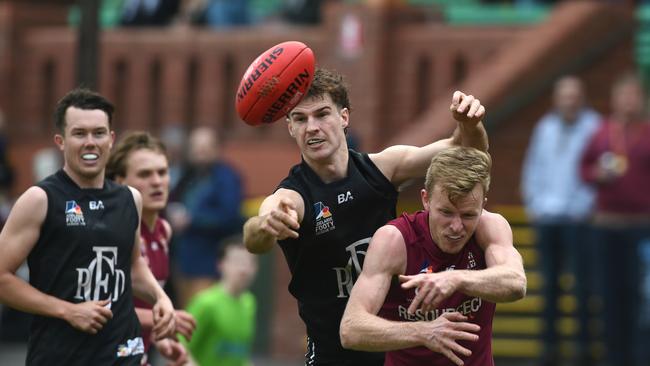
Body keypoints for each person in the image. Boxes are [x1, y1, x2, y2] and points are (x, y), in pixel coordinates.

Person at [243, 67, 489, 365]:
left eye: (322, 114)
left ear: (344, 117)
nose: (312, 127)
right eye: (300, 119)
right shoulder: (293, 196)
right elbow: (256, 235)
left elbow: (466, 152)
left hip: (398, 348)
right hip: (334, 355)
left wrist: (471, 124)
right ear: (290, 128)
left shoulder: (383, 169)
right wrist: (266, 223)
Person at [0, 88, 176, 365]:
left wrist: (160, 298)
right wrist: (68, 311)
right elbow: (2, 278)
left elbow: (133, 266)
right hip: (61, 356)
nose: (90, 142)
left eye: (99, 133)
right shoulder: (41, 199)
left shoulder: (130, 199)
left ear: (111, 139)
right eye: (80, 134)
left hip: (122, 352)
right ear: (61, 141)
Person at [339, 146, 526, 366]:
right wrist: (423, 332)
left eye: (468, 215)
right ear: (425, 199)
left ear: (482, 205)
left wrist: (455, 279)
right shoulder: (395, 240)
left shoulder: (490, 226)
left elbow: (516, 283)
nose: (456, 227)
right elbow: (351, 329)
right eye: (446, 212)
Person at [520, 76, 600, 365]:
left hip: (579, 220)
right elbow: (533, 168)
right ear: (557, 99)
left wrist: (583, 208)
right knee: (549, 287)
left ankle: (583, 351)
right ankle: (549, 352)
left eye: (574, 95)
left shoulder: (594, 127)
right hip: (548, 219)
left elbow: (597, 172)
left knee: (583, 288)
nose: (569, 101)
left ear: (582, 97)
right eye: (565, 96)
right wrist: (535, 206)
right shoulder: (545, 127)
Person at [107, 131, 197, 366]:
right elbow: (96, 306)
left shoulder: (164, 231)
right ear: (119, 181)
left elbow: (143, 304)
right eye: (145, 174)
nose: (157, 181)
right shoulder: (111, 232)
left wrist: (161, 337)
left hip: (138, 355)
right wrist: (166, 318)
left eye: (162, 172)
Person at [580, 73, 650, 366]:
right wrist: (598, 174)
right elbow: (583, 168)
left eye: (633, 95)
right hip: (606, 227)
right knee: (608, 294)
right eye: (623, 95)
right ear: (614, 99)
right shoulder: (602, 132)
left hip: (641, 228)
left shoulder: (647, 131)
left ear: (642, 99)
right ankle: (613, 358)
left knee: (639, 296)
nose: (628, 101)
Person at [168, 126, 245, 307]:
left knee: (201, 317)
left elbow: (229, 215)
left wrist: (192, 219)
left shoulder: (226, 177)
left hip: (210, 263)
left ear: (216, 148)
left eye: (205, 147)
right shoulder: (189, 175)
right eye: (195, 147)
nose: (199, 152)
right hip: (182, 261)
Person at [183, 237, 258, 366]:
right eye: (237, 261)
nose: (244, 269)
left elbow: (241, 353)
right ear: (221, 265)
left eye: (249, 262)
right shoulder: (205, 303)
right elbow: (179, 347)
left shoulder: (249, 303)